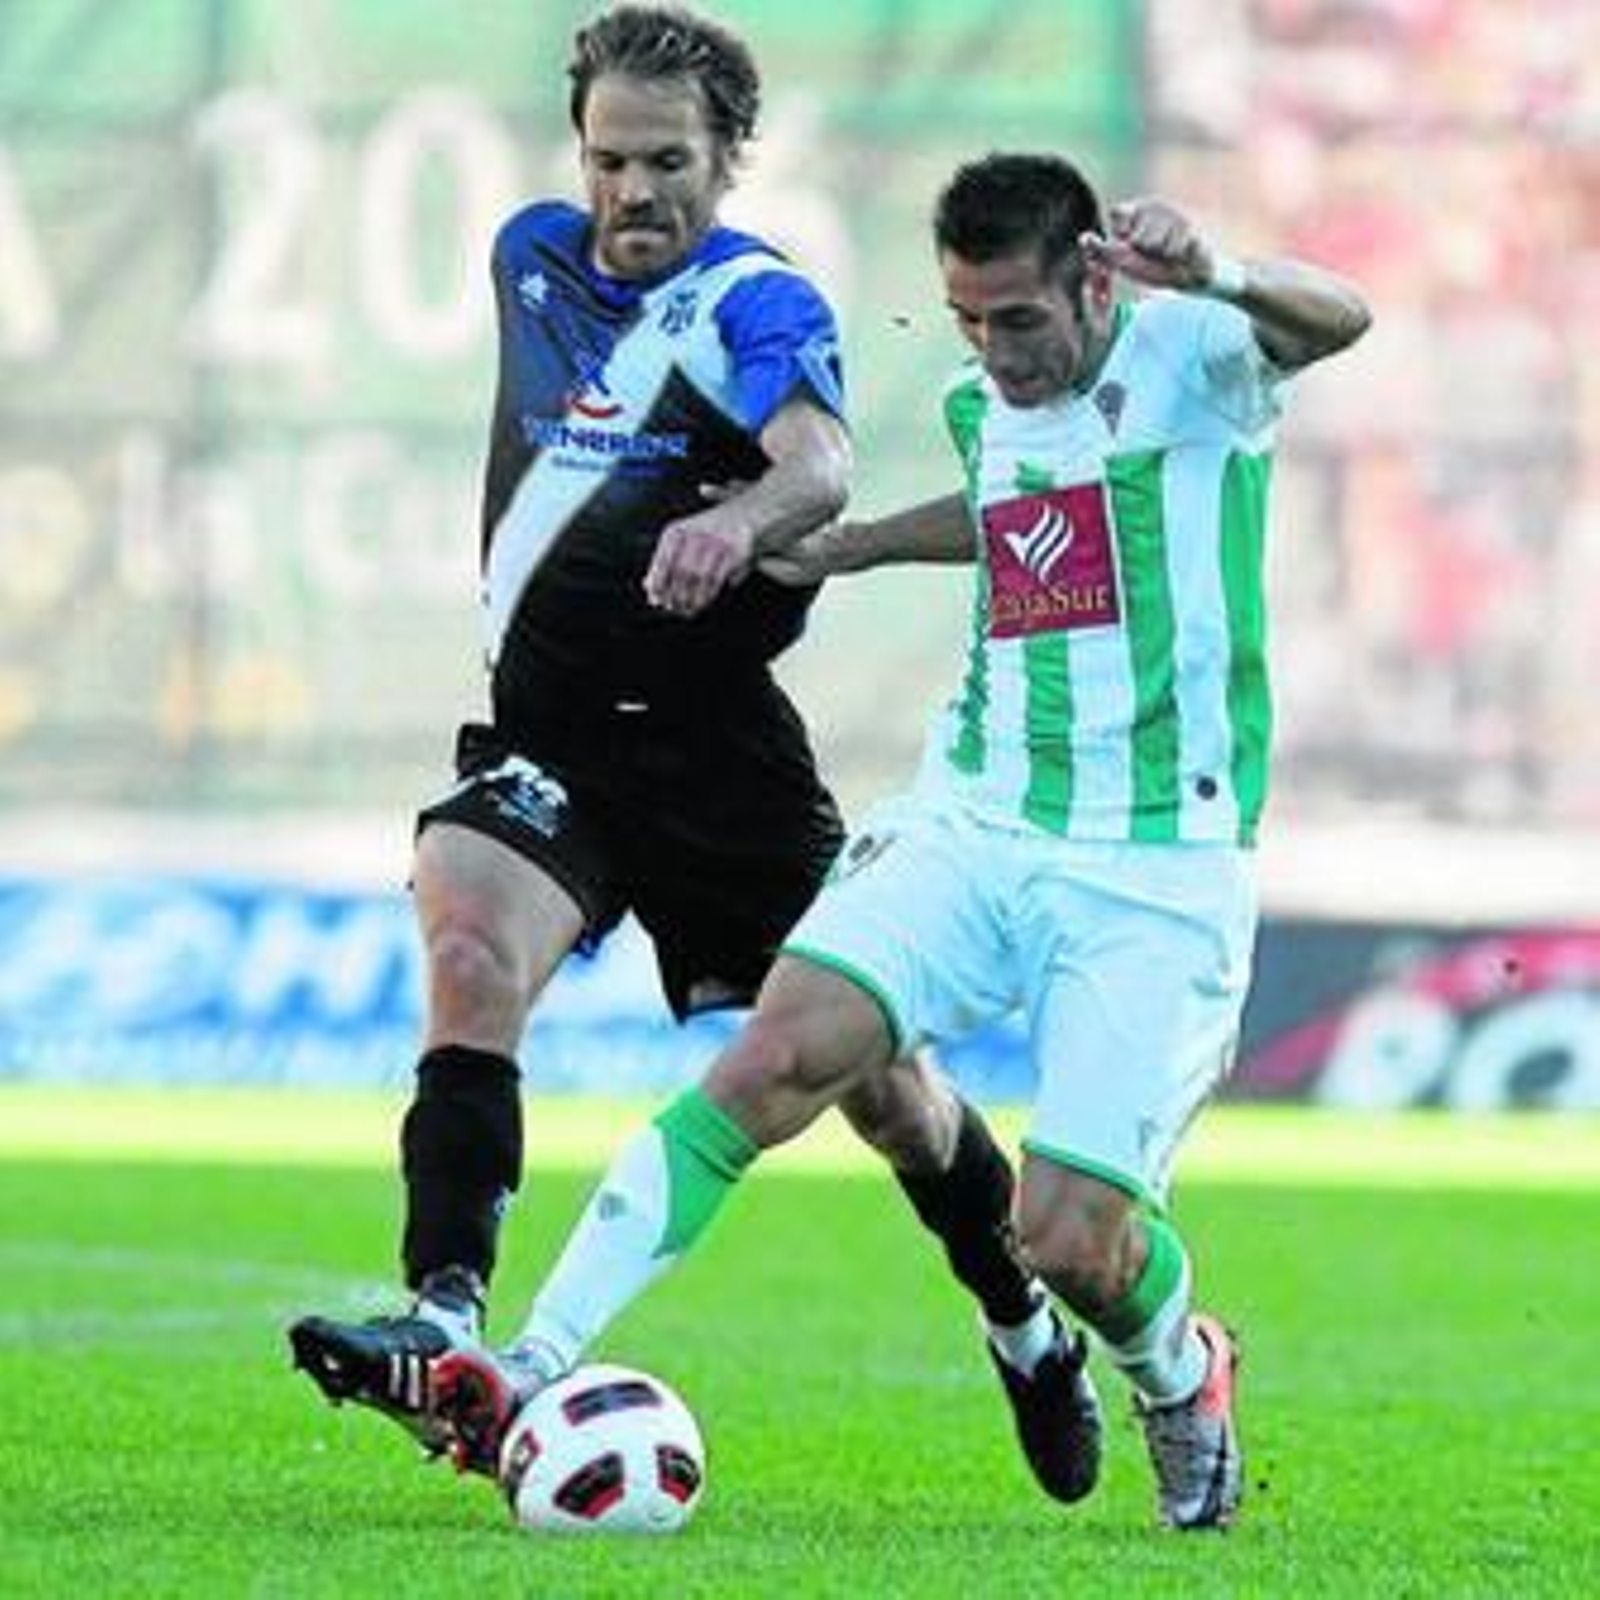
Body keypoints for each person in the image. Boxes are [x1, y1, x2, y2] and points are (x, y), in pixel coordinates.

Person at [427, 151, 1372, 1531]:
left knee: (1068, 1239)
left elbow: (1339, 315)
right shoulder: (986, 400)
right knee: (778, 1054)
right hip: (973, 816)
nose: (994, 352)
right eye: (969, 320)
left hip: (1155, 861)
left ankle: (1181, 1369)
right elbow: (1014, 516)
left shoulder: (1198, 363)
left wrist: (1220, 268)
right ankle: (529, 1363)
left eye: (1021, 321)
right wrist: (861, 546)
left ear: (1095, 277)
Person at [288, 9, 1102, 1509]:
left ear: (729, 161)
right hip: (551, 744)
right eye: (610, 159)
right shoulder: (528, 253)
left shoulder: (756, 299)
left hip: (722, 766)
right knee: (467, 938)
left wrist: (738, 521)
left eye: (669, 161)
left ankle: (1023, 1324)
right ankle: (449, 1318)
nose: (634, 193)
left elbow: (823, 460)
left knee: (895, 1100)